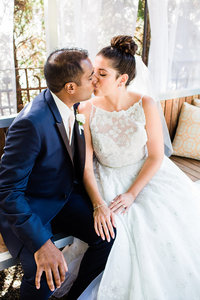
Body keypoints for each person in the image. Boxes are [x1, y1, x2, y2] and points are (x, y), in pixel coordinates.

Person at [70, 35, 200, 299]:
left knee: (163, 226)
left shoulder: (147, 104)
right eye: (93, 72)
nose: (93, 79)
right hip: (105, 179)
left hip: (147, 175)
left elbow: (155, 156)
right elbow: (85, 166)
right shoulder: (84, 110)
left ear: (122, 79)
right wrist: (98, 204)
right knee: (112, 229)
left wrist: (132, 194)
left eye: (102, 74)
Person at [0, 48, 116, 300]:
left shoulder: (71, 104)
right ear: (71, 87)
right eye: (90, 77)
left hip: (62, 196)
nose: (95, 80)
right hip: (30, 208)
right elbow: (8, 192)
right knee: (45, 272)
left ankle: (74, 296)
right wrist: (43, 243)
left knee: (107, 236)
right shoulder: (31, 123)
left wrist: (97, 204)